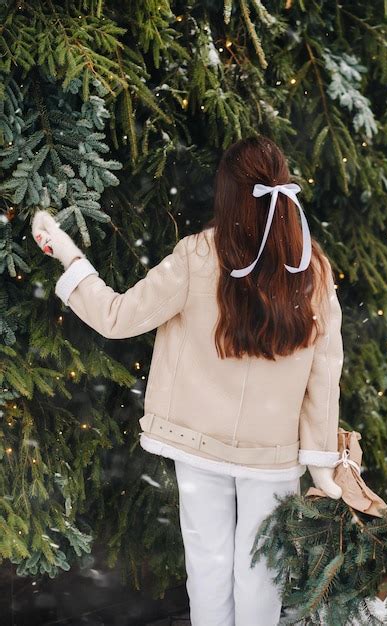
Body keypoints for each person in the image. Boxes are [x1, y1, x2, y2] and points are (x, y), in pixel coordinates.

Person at [32, 134, 344, 626]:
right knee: (262, 571)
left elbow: (117, 316)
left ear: (227, 195)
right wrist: (321, 459)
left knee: (209, 566)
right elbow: (326, 375)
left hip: (198, 446)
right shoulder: (313, 271)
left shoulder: (198, 255)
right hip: (274, 453)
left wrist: (71, 259)